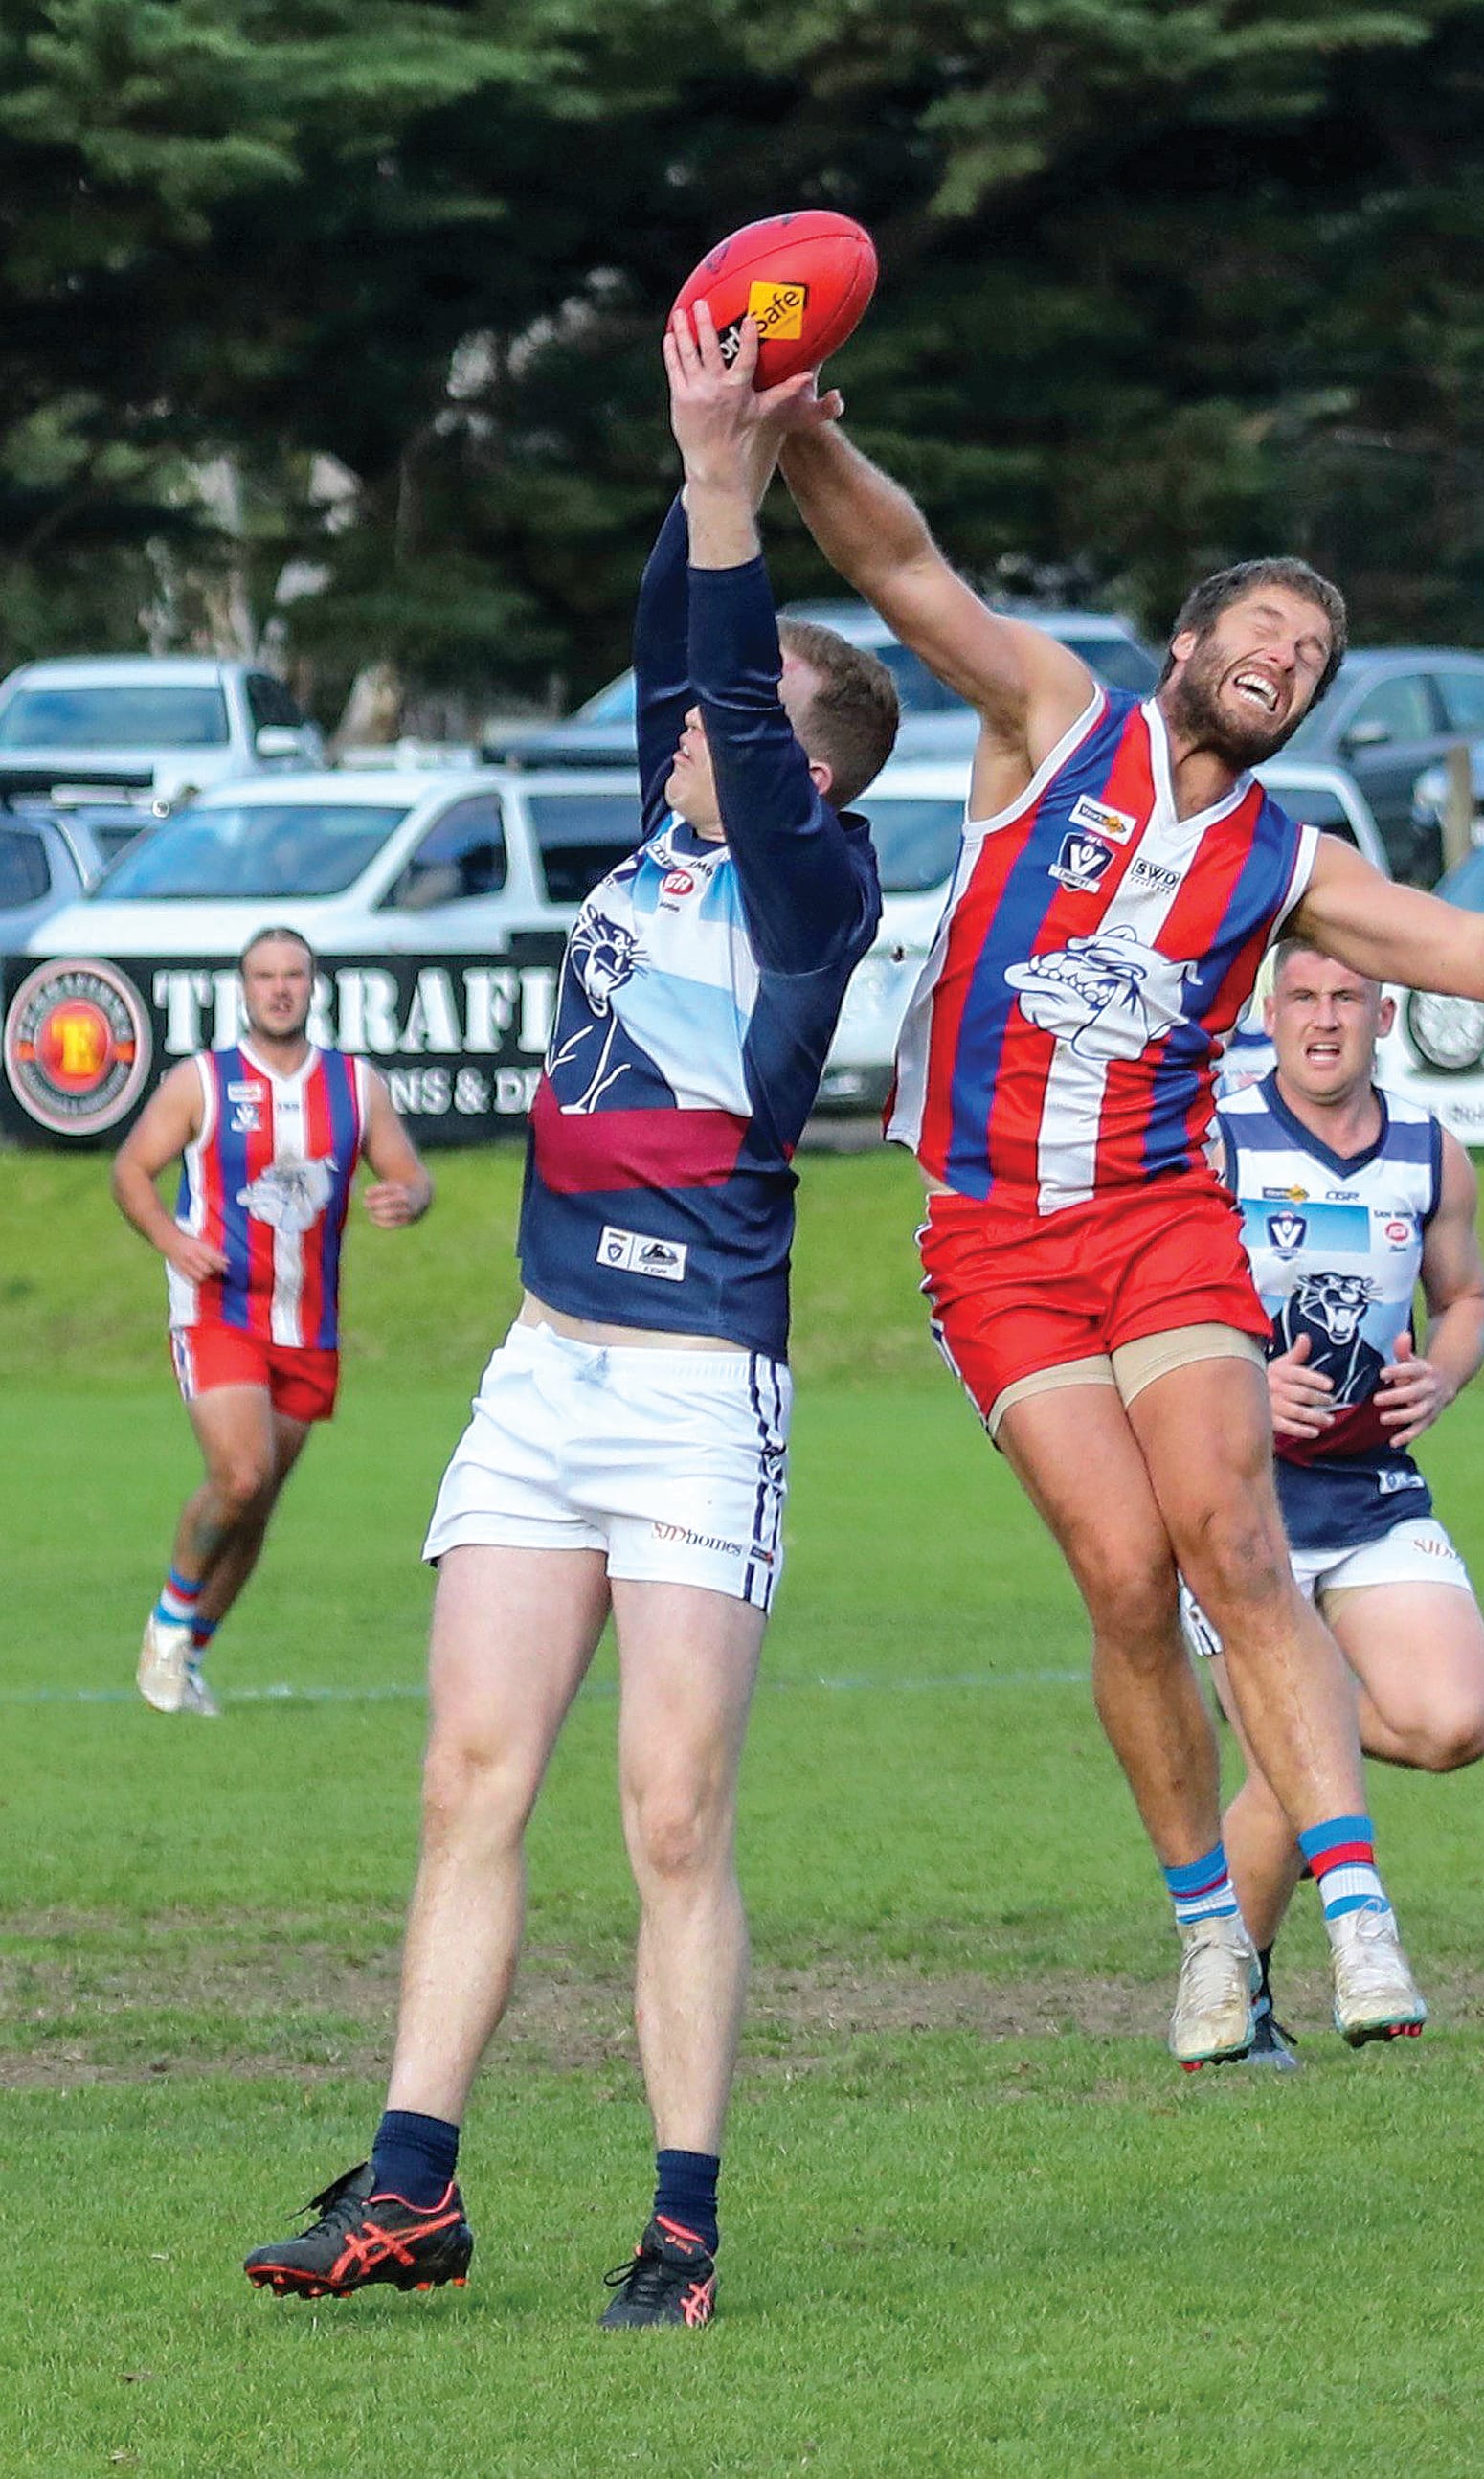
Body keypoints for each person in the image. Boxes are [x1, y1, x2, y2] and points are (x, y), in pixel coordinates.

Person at [776, 401, 1484, 2068]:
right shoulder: (1050, 720)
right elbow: (898, 561)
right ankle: (1200, 1930)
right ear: (1189, 642)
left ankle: (1356, 1901)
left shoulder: (1283, 853)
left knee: (1231, 1532)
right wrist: (798, 428)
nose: (1289, 657)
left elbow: (1473, 946)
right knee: (1120, 1573)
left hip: (1162, 1216)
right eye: (1264, 630)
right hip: (993, 1238)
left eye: (1314, 653)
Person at [240, 308, 895, 2329]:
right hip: (543, 1373)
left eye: (735, 709)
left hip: (702, 1387)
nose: (687, 718)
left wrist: (734, 491)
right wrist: (731, 445)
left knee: (671, 1808)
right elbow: (671, 628)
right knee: (469, 1777)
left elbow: (723, 666)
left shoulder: (813, 885)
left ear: (795, 755)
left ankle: (682, 2227)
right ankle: (412, 2190)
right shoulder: (661, 826)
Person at [1180, 940, 1484, 2070]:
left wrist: (1443, 1372)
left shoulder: (1427, 1151)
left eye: (1346, 999)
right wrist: (1235, 1378)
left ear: (1384, 1009)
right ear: (1269, 1010)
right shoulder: (1210, 1140)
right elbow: (1151, 1311)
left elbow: (1464, 1295)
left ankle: (1281, 1714)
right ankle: (1235, 2000)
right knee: (1295, 1735)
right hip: (1233, 1502)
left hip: (1370, 1492)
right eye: (1302, 998)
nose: (1323, 1021)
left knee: (1452, 1719)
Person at [111, 927, 431, 1717]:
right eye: (265, 976)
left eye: (293, 975)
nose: (280, 988)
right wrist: (171, 1240)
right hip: (218, 1309)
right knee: (241, 1473)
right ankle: (167, 1620)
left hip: (309, 1324)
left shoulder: (357, 1085)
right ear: (243, 988)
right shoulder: (204, 1082)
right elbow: (131, 1169)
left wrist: (408, 1198)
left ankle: (187, 1657)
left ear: (313, 986)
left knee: (257, 1504)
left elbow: (409, 1172)